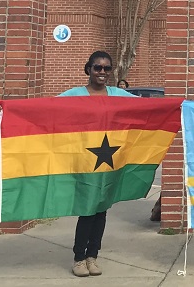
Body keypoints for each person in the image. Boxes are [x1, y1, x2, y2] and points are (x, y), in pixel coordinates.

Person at [58, 51, 136, 277]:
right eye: (97, 68)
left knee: (101, 211)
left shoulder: (117, 94)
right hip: (84, 162)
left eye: (107, 69)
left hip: (108, 163)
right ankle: (79, 258)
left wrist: (180, 108)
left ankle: (93, 256)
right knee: (88, 210)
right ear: (88, 69)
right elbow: (46, 109)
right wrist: (8, 110)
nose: (102, 72)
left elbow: (144, 108)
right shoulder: (75, 95)